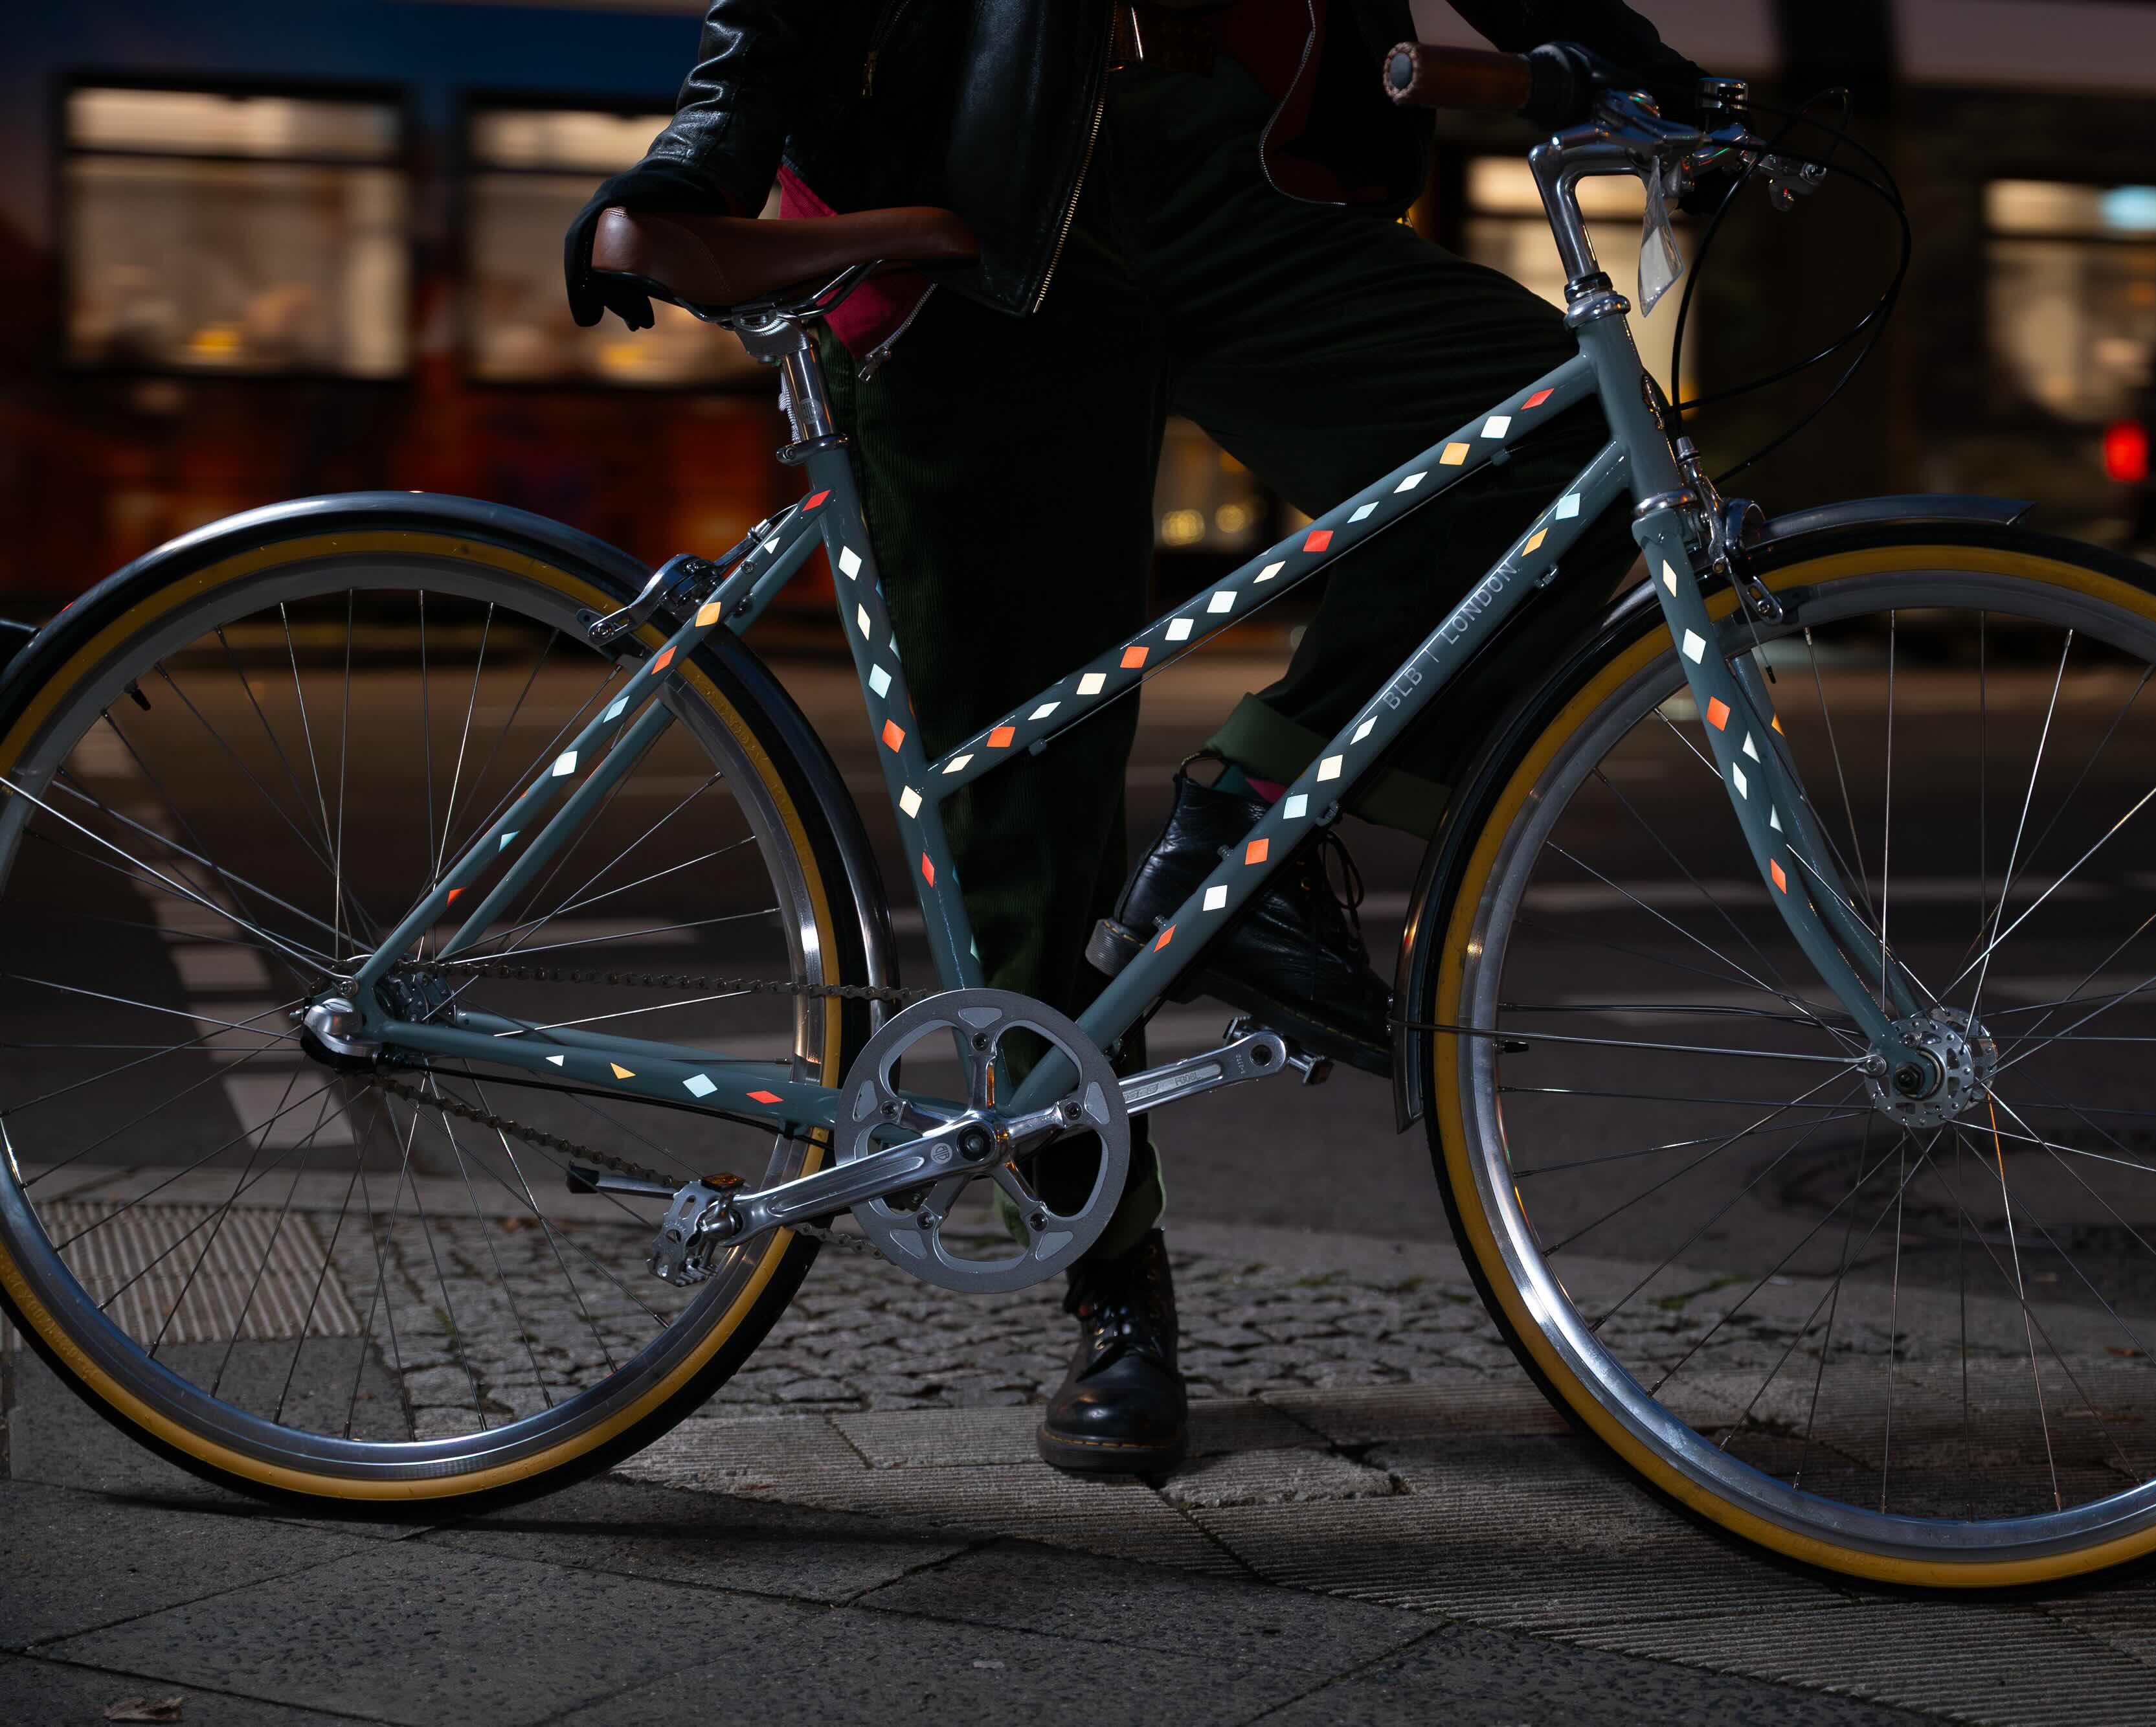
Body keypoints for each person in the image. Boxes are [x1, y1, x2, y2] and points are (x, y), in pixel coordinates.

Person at [565, 0, 1709, 1477]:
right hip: (980, 217)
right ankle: (1109, 1280)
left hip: (1237, 178)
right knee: (1020, 793)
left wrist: (1637, 62)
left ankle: (1249, 824)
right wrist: (703, 157)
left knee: (1553, 434)